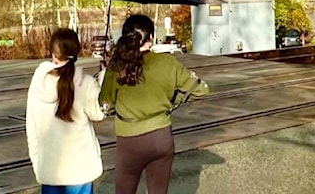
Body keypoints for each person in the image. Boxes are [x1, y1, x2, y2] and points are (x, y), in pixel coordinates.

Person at [99, 14, 209, 194]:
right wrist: (173, 101)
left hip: (129, 142)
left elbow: (105, 105)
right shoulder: (168, 62)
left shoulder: (116, 66)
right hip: (161, 138)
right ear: (151, 38)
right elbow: (200, 89)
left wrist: (104, 76)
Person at [26, 28, 105, 194]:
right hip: (80, 170)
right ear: (76, 52)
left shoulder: (38, 82)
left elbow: (31, 127)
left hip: (49, 169)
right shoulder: (86, 83)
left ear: (53, 53)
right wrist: (103, 77)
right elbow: (99, 113)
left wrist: (37, 163)